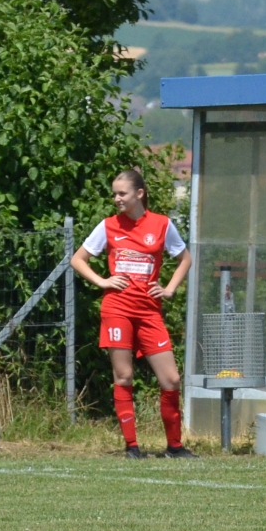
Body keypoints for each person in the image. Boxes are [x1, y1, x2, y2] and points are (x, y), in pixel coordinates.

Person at [70, 169, 194, 459]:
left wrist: (169, 289)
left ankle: (175, 447)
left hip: (149, 311)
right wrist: (103, 281)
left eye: (122, 193)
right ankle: (132, 446)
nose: (117, 198)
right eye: (114, 193)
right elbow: (78, 259)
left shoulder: (162, 224)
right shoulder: (108, 225)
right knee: (124, 376)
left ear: (139, 194)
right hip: (117, 309)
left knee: (171, 379)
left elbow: (185, 259)